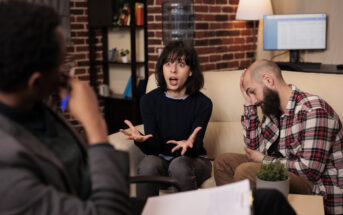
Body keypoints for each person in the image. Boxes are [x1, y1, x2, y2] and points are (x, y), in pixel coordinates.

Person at [0, 1, 130, 214]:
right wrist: (95, 123)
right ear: (36, 82)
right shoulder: (6, 173)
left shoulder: (34, 103)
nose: (67, 71)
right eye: (62, 63)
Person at [214, 59, 343, 215]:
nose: (254, 100)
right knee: (223, 162)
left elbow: (309, 171)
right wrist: (249, 104)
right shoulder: (272, 108)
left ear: (269, 80)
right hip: (283, 174)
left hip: (316, 186)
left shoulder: (313, 111)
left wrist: (264, 160)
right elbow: (254, 149)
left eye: (253, 91)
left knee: (246, 170)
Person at [120, 41, 212, 198]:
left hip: (194, 161)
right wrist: (142, 141)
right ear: (162, 68)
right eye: (168, 63)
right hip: (162, 161)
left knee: (179, 165)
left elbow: (195, 147)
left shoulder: (203, 103)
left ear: (190, 71)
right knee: (148, 163)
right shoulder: (148, 101)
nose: (173, 70)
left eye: (181, 64)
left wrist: (188, 146)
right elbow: (154, 149)